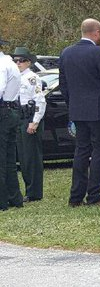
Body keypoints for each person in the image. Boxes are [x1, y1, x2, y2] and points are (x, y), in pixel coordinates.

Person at [59, 18, 100, 207]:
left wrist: (73, 103)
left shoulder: (66, 53)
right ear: (96, 33)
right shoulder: (99, 53)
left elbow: (63, 84)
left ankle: (76, 196)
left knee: (81, 151)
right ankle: (94, 195)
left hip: (78, 110)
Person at [12, 47, 45, 202]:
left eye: (21, 60)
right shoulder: (14, 77)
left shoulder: (32, 78)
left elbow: (40, 100)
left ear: (29, 62)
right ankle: (28, 190)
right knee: (23, 157)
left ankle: (34, 192)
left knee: (31, 157)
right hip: (18, 116)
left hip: (29, 117)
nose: (18, 63)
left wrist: (35, 121)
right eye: (16, 60)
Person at [0, 36, 21, 210]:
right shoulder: (10, 63)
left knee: (2, 157)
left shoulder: (1, 65)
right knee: (9, 158)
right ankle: (14, 198)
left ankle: (2, 201)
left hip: (3, 110)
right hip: (12, 109)